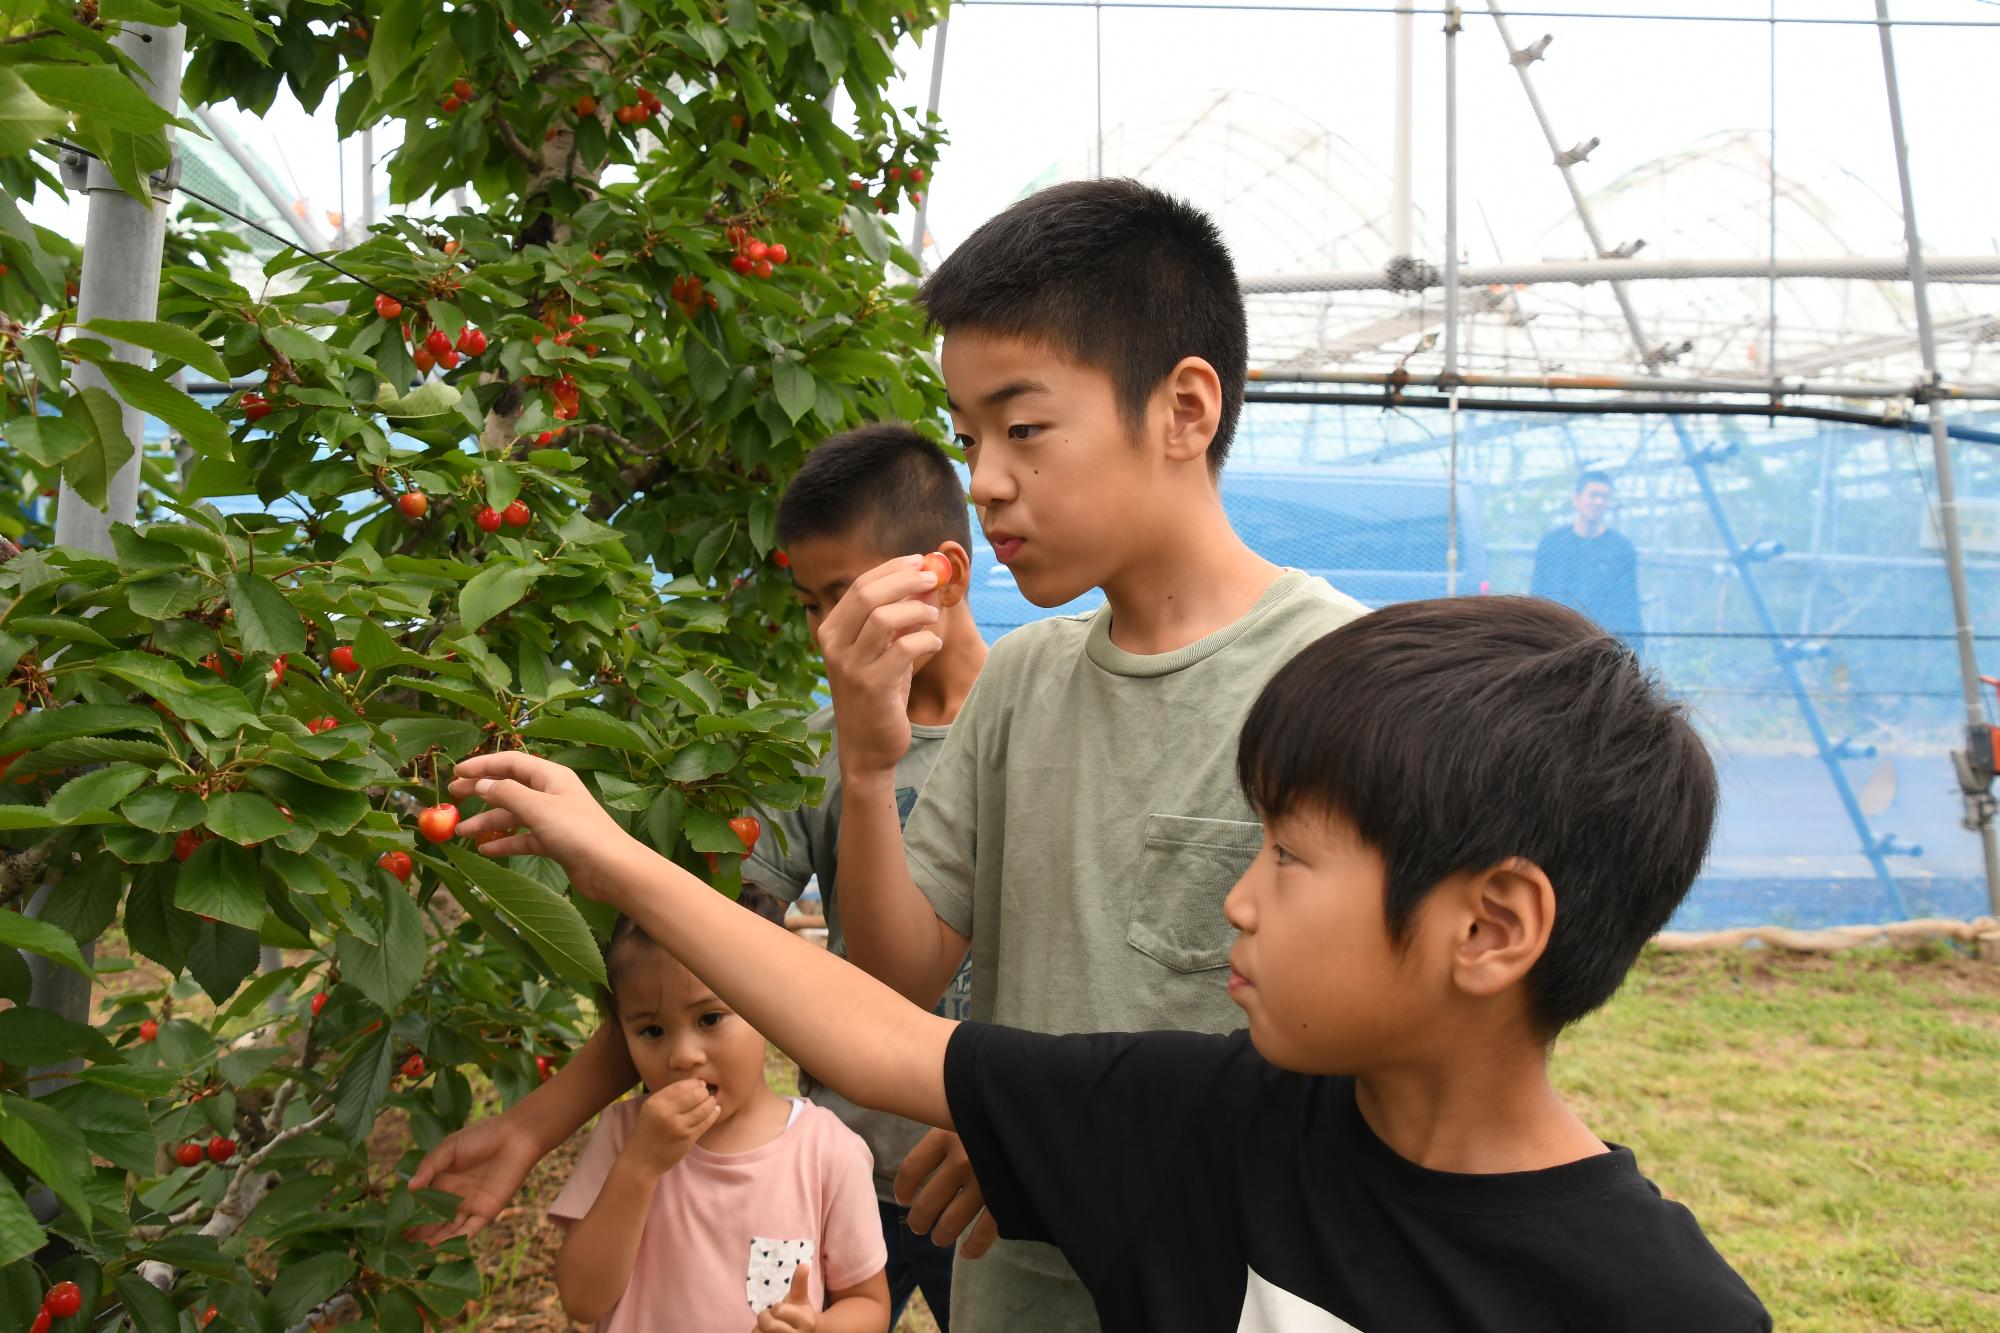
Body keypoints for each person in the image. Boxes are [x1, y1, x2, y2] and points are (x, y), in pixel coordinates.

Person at [447, 594, 1772, 1333]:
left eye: (1291, 861)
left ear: (1490, 928)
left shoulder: (1660, 1310)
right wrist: (612, 858)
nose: (1240, 906)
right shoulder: (1201, 1121)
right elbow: (879, 1036)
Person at [811, 178, 1367, 1330]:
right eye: (967, 437)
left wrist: (1056, 1141)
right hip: (1011, 1287)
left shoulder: (1344, 680)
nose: (982, 481)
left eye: (1022, 427)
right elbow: (900, 976)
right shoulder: (1020, 681)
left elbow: (1373, 1058)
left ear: (1182, 409)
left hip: (1235, 1291)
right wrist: (866, 771)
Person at [411, 424, 988, 1328]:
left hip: (987, 1182)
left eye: (845, 596)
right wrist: (530, 1127)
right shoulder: (809, 757)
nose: (829, 634)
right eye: (810, 604)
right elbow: (693, 966)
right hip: (841, 1169)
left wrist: (1019, 1124)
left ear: (942, 575)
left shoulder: (1032, 725)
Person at [550, 914, 890, 1332]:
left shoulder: (828, 1153)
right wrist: (639, 1167)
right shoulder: (624, 1135)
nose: (684, 1056)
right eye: (652, 1030)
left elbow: (868, 1304)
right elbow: (582, 1300)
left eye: (709, 1019)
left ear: (768, 1008)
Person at [1530, 469, 1643, 642]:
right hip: (1558, 636)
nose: (1598, 502)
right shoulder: (1553, 544)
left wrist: (1634, 645)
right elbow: (1539, 593)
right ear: (1577, 498)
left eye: (1604, 497)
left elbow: (1629, 604)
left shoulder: (1621, 548)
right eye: (1593, 495)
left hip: (1604, 640)